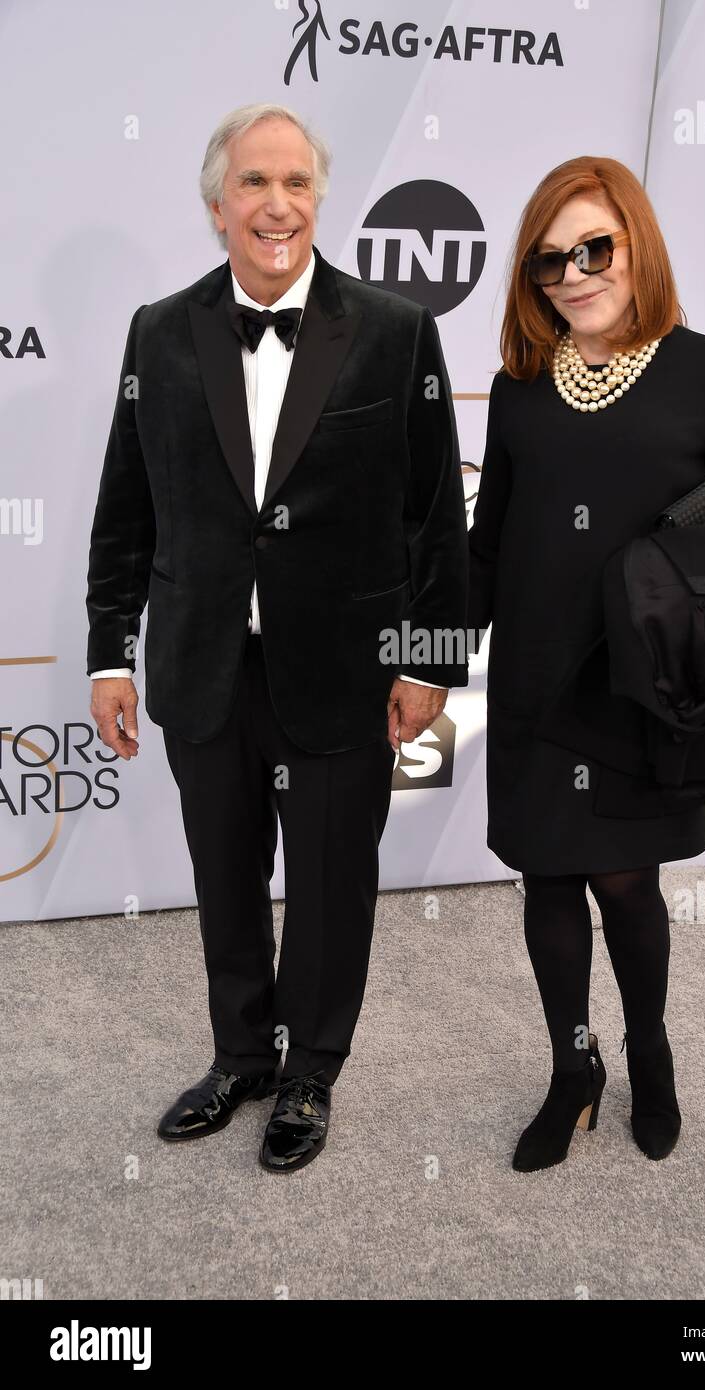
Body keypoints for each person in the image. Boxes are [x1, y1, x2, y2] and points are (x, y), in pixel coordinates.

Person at [86, 103, 468, 1173]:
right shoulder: (159, 331)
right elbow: (129, 503)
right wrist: (109, 649)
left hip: (344, 664)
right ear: (218, 206)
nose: (277, 204)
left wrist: (428, 658)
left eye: (296, 183)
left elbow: (433, 509)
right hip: (205, 660)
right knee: (224, 870)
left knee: (333, 875)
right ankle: (242, 1054)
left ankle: (311, 1073)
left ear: (318, 199)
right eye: (255, 183)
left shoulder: (393, 329)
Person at [468, 156, 705, 1170]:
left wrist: (664, 570)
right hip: (533, 680)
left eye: (592, 248)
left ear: (635, 245)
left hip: (640, 686)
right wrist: (428, 659)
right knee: (544, 882)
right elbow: (489, 540)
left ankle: (648, 1053)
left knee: (623, 886)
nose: (571, 273)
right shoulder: (522, 389)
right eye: (547, 261)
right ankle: (574, 1070)